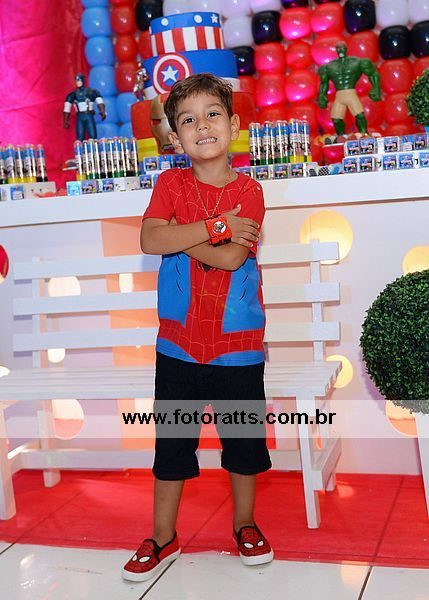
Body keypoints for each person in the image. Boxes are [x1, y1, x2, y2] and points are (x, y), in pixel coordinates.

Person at [122, 73, 273, 583]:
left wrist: (178, 235)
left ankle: (245, 523)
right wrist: (215, 225)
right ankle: (162, 536)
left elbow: (231, 259)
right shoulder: (169, 185)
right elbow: (150, 240)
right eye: (187, 120)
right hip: (178, 345)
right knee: (172, 444)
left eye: (212, 114)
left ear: (234, 124)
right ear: (174, 137)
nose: (201, 126)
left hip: (238, 345)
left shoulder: (250, 190)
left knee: (243, 442)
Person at [317, 42, 381, 136]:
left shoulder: (356, 62)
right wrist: (322, 95)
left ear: (346, 49)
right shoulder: (329, 66)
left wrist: (376, 88)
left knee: (359, 115)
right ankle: (341, 136)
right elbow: (324, 83)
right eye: (338, 48)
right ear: (336, 50)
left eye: (342, 48)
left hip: (351, 94)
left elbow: (373, 74)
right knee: (336, 119)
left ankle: (364, 134)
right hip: (339, 96)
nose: (340, 50)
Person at [63, 74, 106, 141]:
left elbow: (99, 101)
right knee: (79, 138)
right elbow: (67, 107)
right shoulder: (72, 95)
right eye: (77, 81)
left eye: (79, 80)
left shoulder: (91, 92)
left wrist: (102, 112)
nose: (78, 82)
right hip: (80, 117)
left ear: (83, 81)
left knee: (93, 137)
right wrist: (66, 120)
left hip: (89, 116)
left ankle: (94, 147)